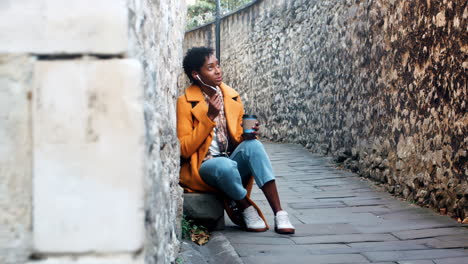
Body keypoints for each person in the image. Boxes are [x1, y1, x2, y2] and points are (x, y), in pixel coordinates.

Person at [177, 47, 295, 234]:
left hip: (231, 161)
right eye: (210, 68)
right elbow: (183, 149)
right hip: (204, 167)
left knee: (254, 146)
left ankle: (280, 213)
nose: (218, 71)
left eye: (218, 65)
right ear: (195, 74)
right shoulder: (185, 102)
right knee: (224, 166)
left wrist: (247, 136)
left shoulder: (231, 96)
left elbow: (236, 138)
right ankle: (245, 207)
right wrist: (209, 118)